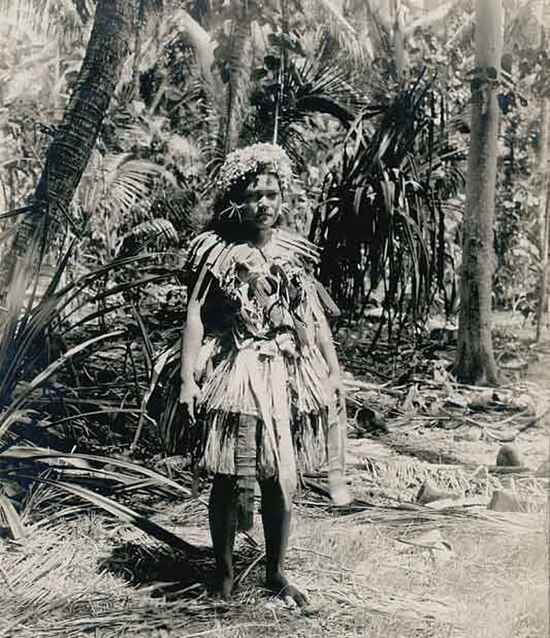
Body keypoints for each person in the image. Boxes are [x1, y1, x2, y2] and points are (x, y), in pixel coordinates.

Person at [179, 143, 349, 607]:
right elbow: (196, 314)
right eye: (254, 194)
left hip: (286, 371)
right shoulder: (217, 251)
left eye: (272, 194)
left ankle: (275, 572)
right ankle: (225, 574)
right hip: (237, 368)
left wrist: (332, 372)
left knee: (278, 475)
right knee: (229, 474)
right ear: (237, 198)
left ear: (283, 198)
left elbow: (313, 317)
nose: (264, 204)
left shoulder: (292, 254)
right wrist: (187, 378)